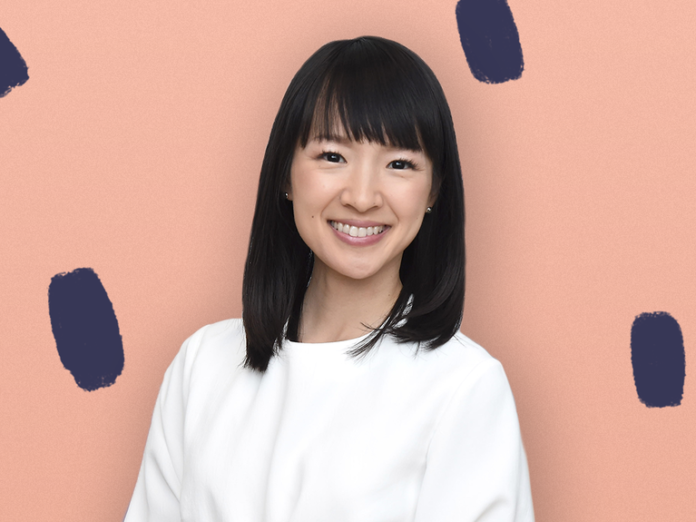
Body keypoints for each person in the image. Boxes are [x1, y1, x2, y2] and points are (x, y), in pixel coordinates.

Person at [124, 35, 534, 521]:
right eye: (333, 156)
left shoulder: (464, 387)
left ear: (433, 192)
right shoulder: (202, 366)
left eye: (400, 164)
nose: (362, 197)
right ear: (285, 174)